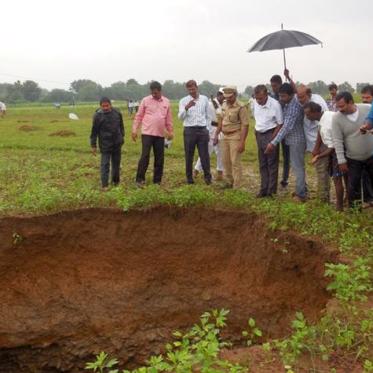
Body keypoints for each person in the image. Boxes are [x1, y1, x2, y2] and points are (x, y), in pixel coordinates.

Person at [265, 83, 307, 202]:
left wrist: (273, 143)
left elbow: (286, 127)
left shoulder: (294, 107)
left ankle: (301, 194)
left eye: (283, 96)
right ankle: (302, 189)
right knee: (296, 167)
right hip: (292, 140)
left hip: (296, 141)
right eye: (280, 96)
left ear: (291, 95)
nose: (281, 99)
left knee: (298, 168)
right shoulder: (288, 104)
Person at [331, 92, 373, 208]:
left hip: (371, 155)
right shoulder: (337, 118)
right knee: (353, 187)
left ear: (351, 102)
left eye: (342, 106)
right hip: (353, 158)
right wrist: (341, 161)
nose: (339, 109)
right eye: (337, 106)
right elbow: (337, 140)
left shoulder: (367, 109)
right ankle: (355, 211)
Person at [303, 102, 348, 209]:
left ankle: (339, 207)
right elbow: (319, 130)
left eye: (308, 114)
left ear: (315, 112)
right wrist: (316, 147)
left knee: (337, 179)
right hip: (346, 144)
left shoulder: (326, 126)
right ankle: (348, 199)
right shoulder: (327, 114)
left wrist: (318, 156)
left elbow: (331, 148)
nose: (306, 116)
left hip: (340, 150)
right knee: (347, 177)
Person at [132, 81, 173, 187]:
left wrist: (170, 131)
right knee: (145, 156)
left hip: (160, 134)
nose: (154, 95)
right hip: (147, 133)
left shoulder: (166, 102)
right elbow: (139, 116)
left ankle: (157, 181)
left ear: (160, 91)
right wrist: (134, 130)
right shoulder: (145, 100)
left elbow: (168, 119)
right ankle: (139, 180)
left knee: (159, 158)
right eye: (152, 93)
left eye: (156, 93)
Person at [213, 86, 249, 189]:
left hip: (235, 136)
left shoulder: (241, 107)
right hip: (224, 136)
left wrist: (242, 142)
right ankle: (229, 181)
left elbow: (245, 125)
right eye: (226, 97)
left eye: (230, 97)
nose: (228, 99)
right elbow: (220, 121)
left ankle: (237, 185)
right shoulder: (224, 105)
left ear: (235, 95)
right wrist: (216, 135)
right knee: (225, 161)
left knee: (235, 162)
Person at [178, 80, 212, 185]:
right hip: (189, 130)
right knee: (189, 155)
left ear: (197, 87)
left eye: (193, 89)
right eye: (189, 90)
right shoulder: (183, 101)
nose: (192, 91)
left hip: (202, 130)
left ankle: (207, 178)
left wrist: (207, 129)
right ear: (187, 90)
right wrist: (186, 108)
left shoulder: (204, 99)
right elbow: (180, 117)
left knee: (204, 155)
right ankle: (189, 178)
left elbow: (208, 116)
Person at [252, 84, 283, 197]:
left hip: (271, 133)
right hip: (259, 134)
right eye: (256, 98)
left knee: (272, 165)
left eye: (260, 98)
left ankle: (271, 192)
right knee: (262, 164)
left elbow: (280, 124)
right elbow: (257, 118)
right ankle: (263, 189)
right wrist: (256, 131)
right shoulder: (255, 103)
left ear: (266, 95)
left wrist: (272, 140)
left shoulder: (275, 105)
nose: (258, 101)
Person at [90, 97, 124, 190]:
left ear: (110, 105)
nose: (105, 108)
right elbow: (94, 132)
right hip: (105, 144)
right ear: (100, 106)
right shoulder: (97, 116)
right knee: (105, 164)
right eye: (103, 106)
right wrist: (93, 145)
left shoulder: (117, 113)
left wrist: (122, 137)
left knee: (116, 164)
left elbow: (121, 126)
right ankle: (104, 185)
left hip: (117, 143)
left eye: (107, 106)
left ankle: (116, 182)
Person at [194, 89, 224, 180]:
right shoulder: (210, 104)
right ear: (219, 95)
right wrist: (206, 130)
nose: (225, 98)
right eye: (224, 96)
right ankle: (196, 170)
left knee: (221, 151)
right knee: (206, 151)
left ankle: (220, 172)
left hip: (222, 128)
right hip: (211, 128)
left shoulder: (225, 104)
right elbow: (206, 117)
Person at [270, 74, 290, 187]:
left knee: (287, 155)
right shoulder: (272, 97)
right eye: (272, 86)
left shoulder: (285, 96)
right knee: (275, 155)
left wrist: (289, 77)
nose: (274, 88)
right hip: (276, 129)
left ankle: (285, 178)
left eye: (275, 86)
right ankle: (274, 178)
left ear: (280, 84)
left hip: (286, 129)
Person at [359, 85, 373, 205]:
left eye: (367, 97)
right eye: (363, 97)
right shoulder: (364, 108)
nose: (364, 100)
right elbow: (369, 120)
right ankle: (369, 198)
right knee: (366, 173)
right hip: (368, 148)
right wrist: (366, 126)